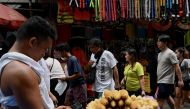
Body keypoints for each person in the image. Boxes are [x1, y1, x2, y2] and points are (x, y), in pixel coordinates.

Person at [0, 16, 70, 109]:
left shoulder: (10, 64)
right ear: (33, 42)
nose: (44, 54)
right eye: (44, 49)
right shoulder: (22, 72)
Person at [54, 43, 87, 108]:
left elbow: (78, 74)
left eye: (60, 52)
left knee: (79, 105)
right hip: (72, 85)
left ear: (63, 51)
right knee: (67, 102)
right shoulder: (69, 59)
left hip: (79, 85)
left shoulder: (73, 59)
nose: (59, 55)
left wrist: (65, 78)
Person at [156, 34, 184, 109]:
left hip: (166, 81)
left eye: (159, 41)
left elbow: (177, 67)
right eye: (157, 41)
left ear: (165, 43)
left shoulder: (170, 53)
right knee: (168, 98)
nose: (157, 43)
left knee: (159, 100)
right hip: (160, 80)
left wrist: (180, 80)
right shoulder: (159, 54)